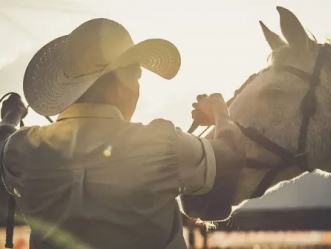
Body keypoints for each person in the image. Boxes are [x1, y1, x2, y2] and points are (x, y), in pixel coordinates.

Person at [0, 18, 245, 249]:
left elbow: (5, 138)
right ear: (120, 86)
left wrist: (11, 115)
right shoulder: (161, 143)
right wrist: (218, 108)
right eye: (136, 80)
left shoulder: (21, 150)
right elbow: (231, 153)